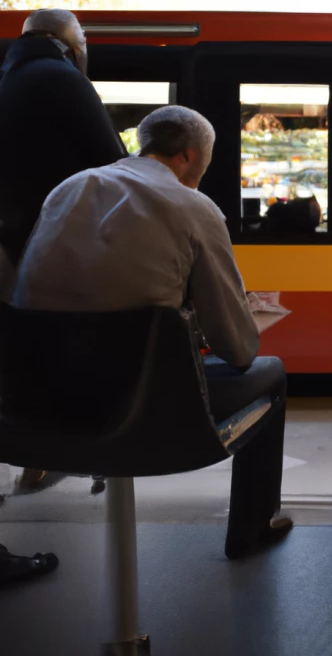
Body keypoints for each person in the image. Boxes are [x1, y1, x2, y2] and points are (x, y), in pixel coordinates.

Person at [12, 106, 291, 560]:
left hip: (37, 408)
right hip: (150, 414)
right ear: (189, 155)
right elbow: (239, 349)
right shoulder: (194, 208)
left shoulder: (68, 189)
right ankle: (252, 528)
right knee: (270, 372)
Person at [0, 9, 126, 496]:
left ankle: (37, 459)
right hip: (54, 242)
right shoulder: (63, 79)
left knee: (30, 356)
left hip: (12, 249)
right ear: (74, 47)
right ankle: (101, 449)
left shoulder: (10, 78)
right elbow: (115, 167)